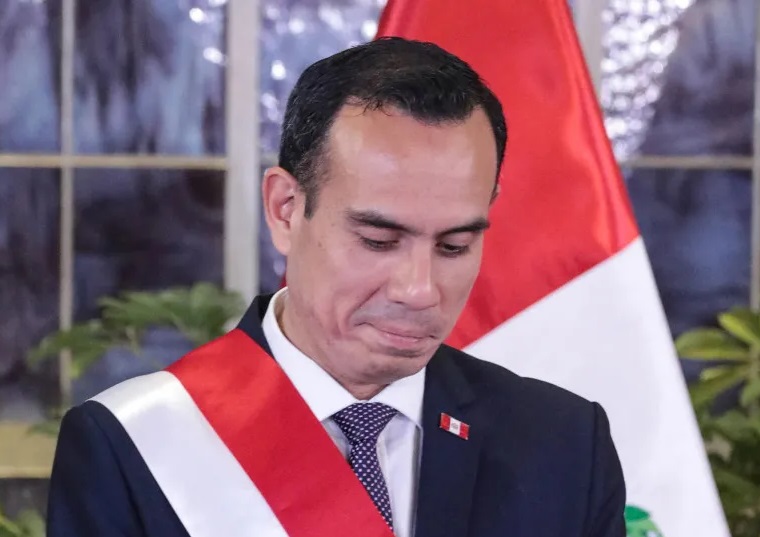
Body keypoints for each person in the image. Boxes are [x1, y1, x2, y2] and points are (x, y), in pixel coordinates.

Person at [46, 37, 626, 537]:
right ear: (285, 209)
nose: (420, 290)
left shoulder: (564, 445)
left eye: (454, 246)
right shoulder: (133, 445)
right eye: (378, 240)